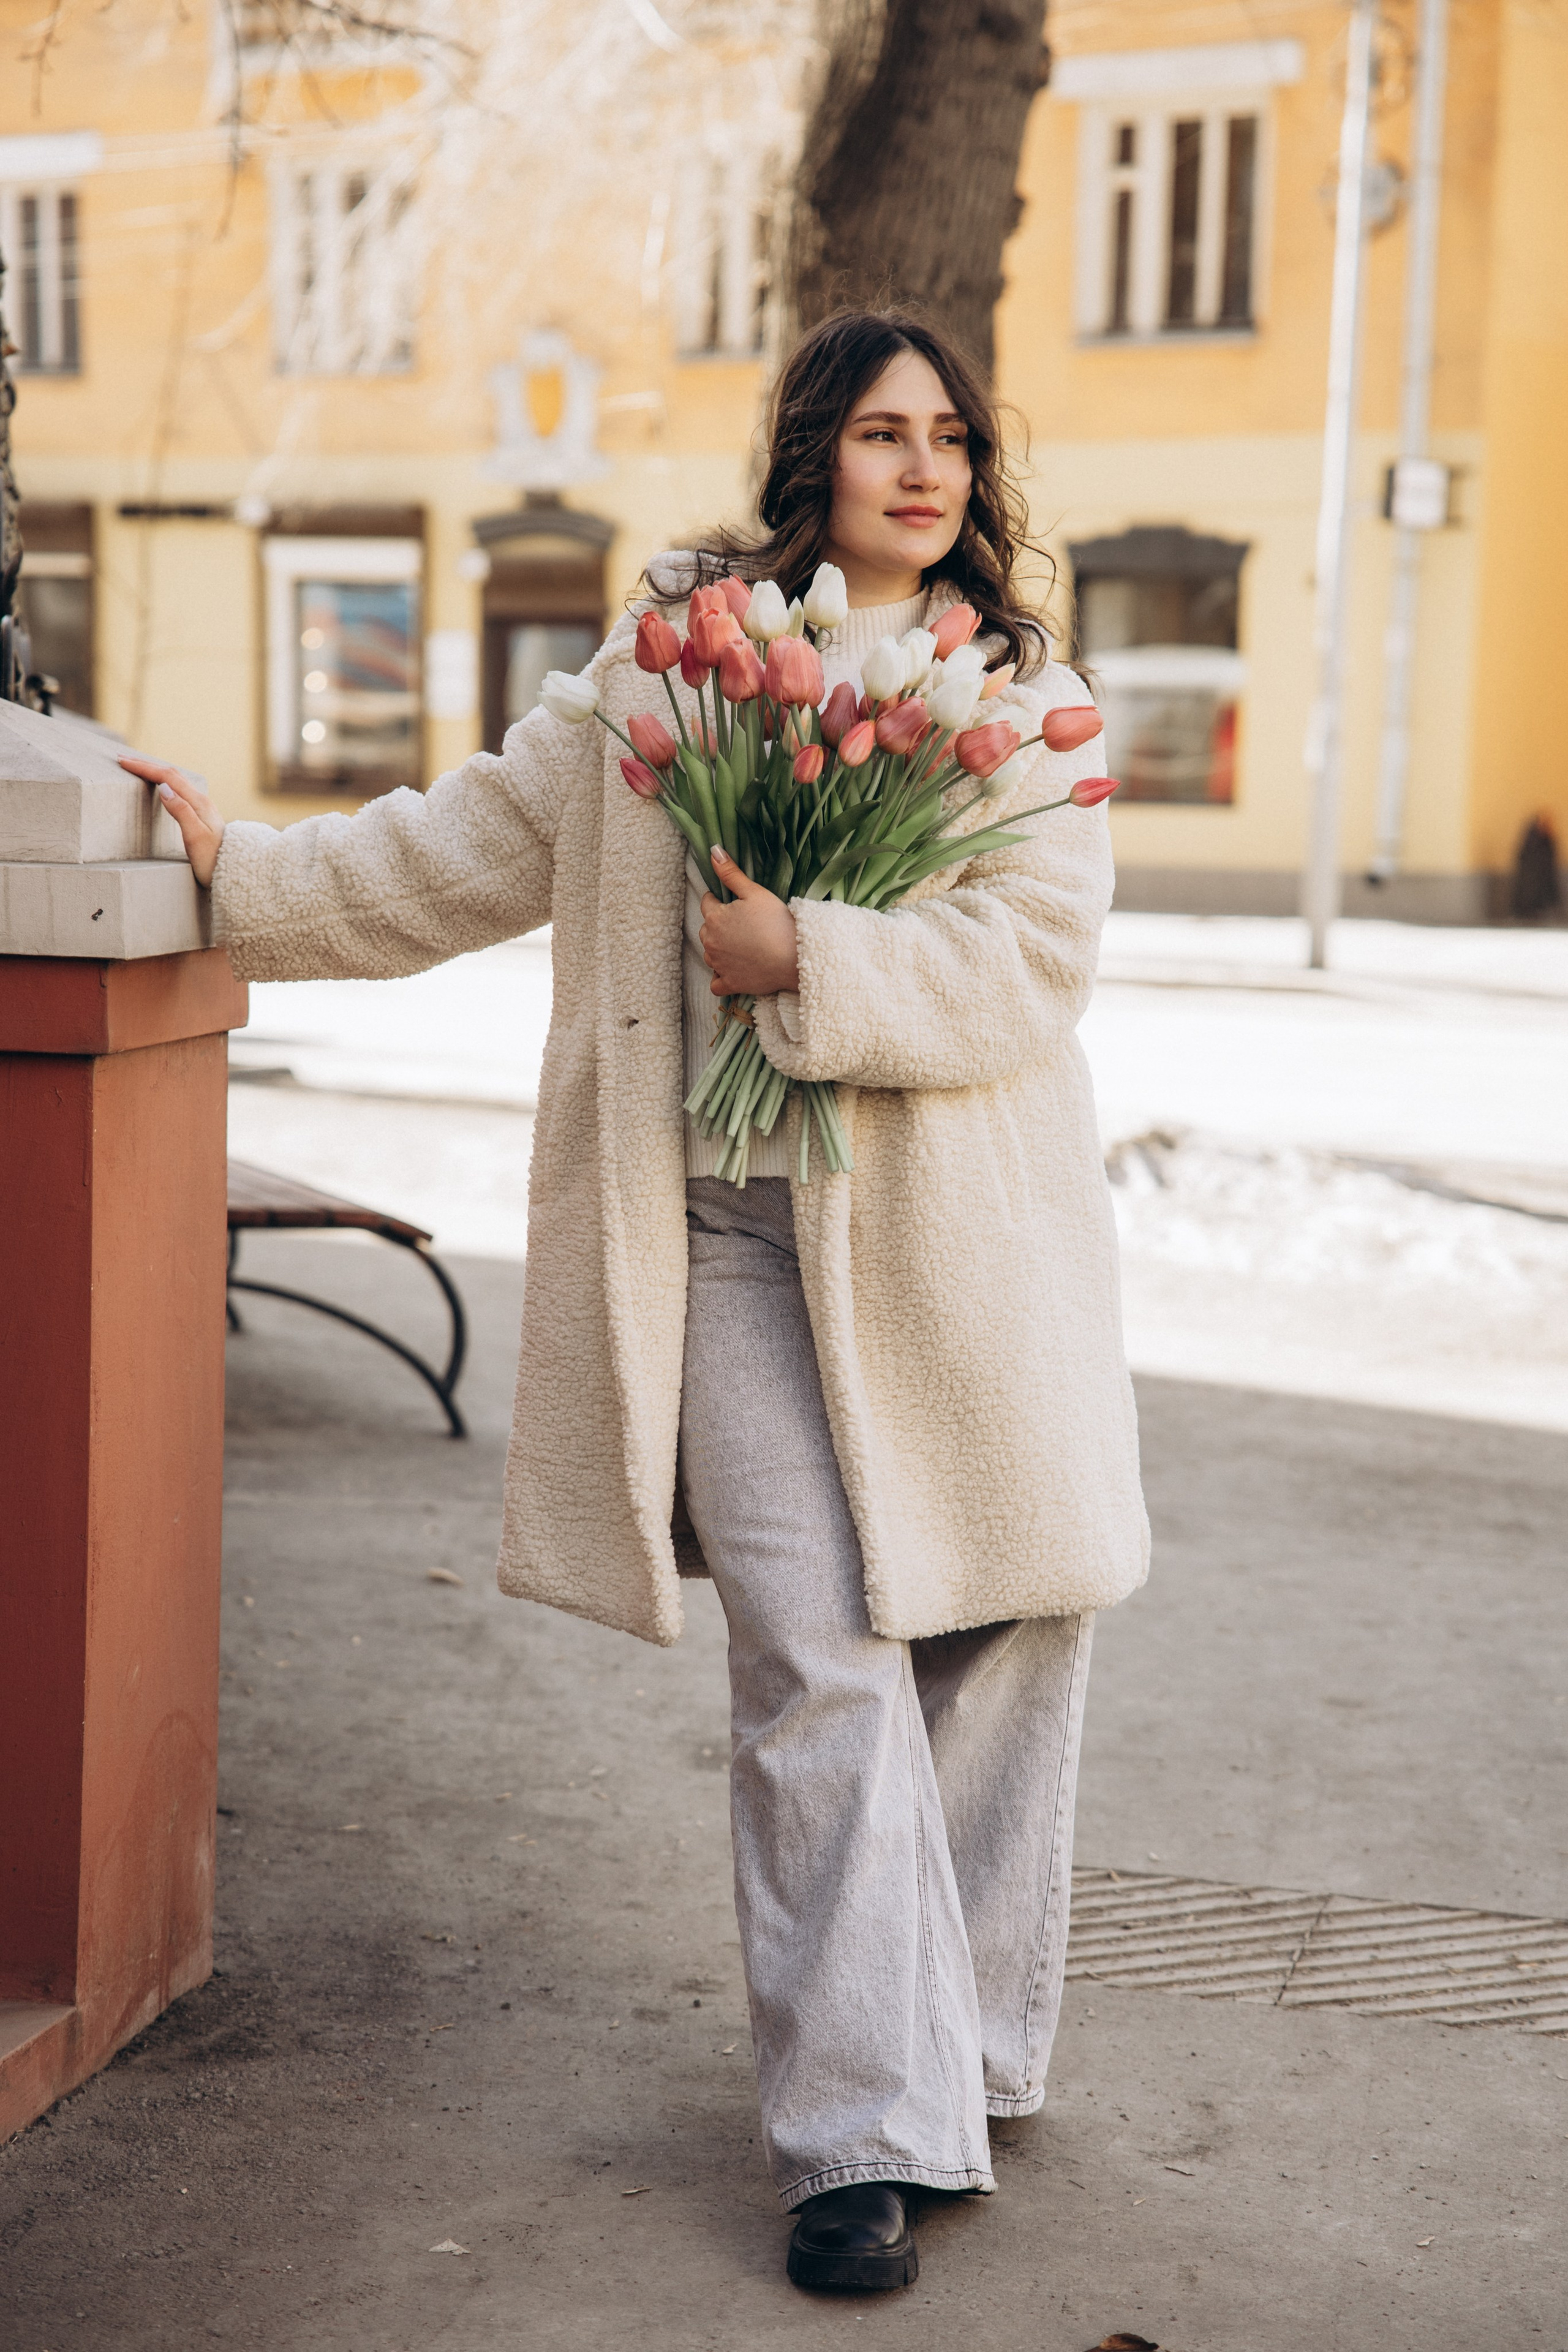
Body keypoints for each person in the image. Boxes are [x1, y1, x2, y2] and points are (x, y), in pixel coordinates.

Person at [129, 308, 1148, 2294]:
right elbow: (469, 848)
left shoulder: (1019, 691)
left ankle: (960, 2050)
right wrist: (232, 875)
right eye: (879, 433)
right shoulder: (672, 658)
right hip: (723, 1239)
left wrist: (810, 959)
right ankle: (861, 2136)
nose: (923, 468)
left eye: (950, 436)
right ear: (811, 459)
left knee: (1004, 1623)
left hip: (955, 1239)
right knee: (820, 1657)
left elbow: (1035, 963)